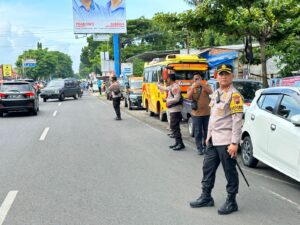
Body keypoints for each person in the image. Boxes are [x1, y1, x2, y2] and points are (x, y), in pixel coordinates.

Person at [189, 64, 244, 215]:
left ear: (232, 76)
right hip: (213, 140)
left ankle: (232, 201)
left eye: (227, 74)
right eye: (221, 74)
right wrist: (208, 137)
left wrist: (234, 143)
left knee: (229, 172)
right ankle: (206, 196)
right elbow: (213, 118)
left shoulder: (235, 96)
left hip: (226, 141)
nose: (224, 76)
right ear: (217, 76)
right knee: (207, 169)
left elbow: (237, 121)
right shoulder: (216, 93)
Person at [187, 72, 212, 155]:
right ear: (193, 80)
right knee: (198, 132)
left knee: (206, 131)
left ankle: (206, 147)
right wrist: (193, 86)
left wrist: (202, 84)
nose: (196, 80)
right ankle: (199, 148)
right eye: (195, 78)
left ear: (201, 79)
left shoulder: (205, 86)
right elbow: (189, 97)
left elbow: (211, 92)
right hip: (196, 114)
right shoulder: (191, 87)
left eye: (198, 78)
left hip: (206, 113)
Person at [158, 73, 185, 151]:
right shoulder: (172, 86)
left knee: (175, 127)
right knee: (174, 127)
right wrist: (159, 86)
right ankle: (178, 143)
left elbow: (176, 99)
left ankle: (180, 143)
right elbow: (165, 88)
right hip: (173, 109)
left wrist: (167, 100)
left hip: (175, 110)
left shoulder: (175, 87)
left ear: (170, 79)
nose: (167, 80)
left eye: (167, 79)